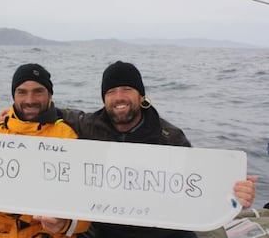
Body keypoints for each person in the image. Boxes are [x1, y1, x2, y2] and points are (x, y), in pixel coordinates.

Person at [60, 60, 257, 238]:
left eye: (127, 89)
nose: (118, 97)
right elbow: (50, 112)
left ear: (141, 95)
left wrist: (234, 194)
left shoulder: (171, 138)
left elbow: (199, 186)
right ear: (104, 99)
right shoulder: (88, 125)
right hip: (106, 229)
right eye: (111, 92)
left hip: (164, 232)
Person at [0, 63, 90, 238]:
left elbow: (85, 209)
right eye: (22, 92)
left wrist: (65, 224)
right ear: (13, 95)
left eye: (38, 91)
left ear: (50, 94)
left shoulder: (67, 138)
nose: (30, 100)